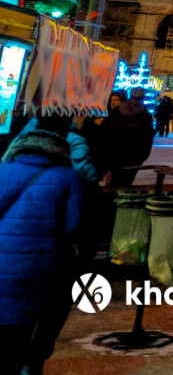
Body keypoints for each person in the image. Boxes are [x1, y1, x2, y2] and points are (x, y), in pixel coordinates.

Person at [0, 127, 85, 375]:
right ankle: (30, 363)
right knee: (32, 327)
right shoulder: (68, 176)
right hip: (40, 269)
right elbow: (74, 227)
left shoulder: (1, 171)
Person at [107, 89, 155, 186]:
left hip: (116, 154)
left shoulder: (117, 112)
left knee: (114, 182)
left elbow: (108, 132)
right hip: (135, 156)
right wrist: (144, 154)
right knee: (126, 182)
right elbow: (148, 136)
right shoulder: (144, 114)